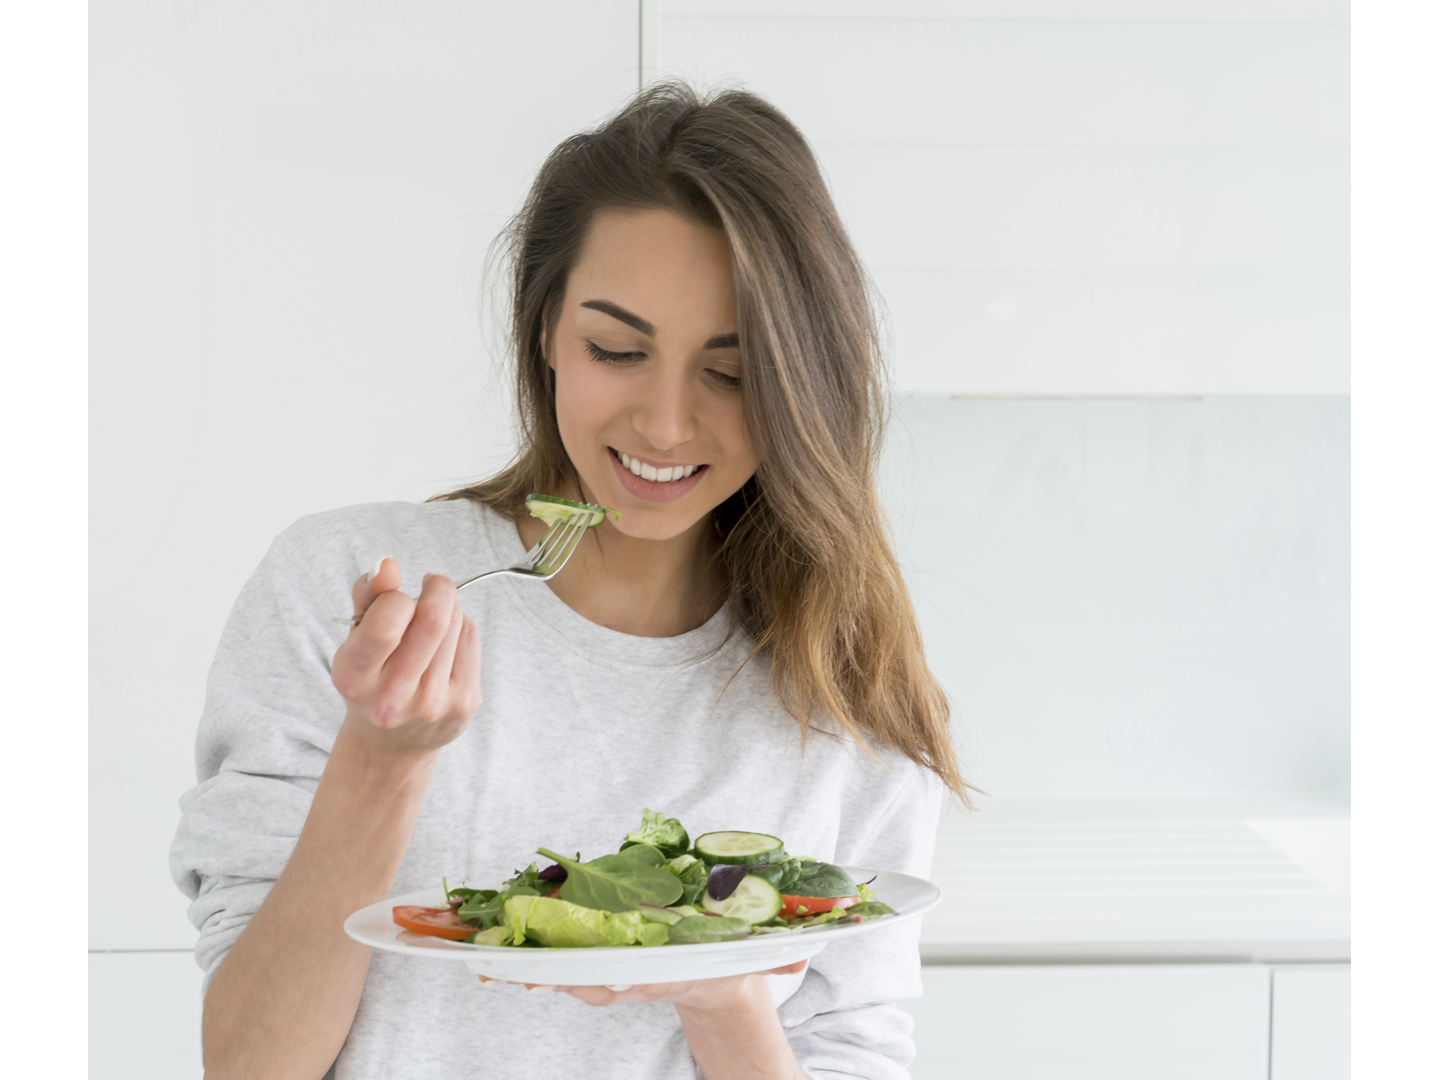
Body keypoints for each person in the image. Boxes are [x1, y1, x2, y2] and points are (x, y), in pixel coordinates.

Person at [170, 81, 971, 1080]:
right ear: (546, 329)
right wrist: (379, 763)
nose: (667, 424)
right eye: (617, 349)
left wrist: (723, 991)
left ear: (801, 381)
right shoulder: (341, 587)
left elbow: (852, 1054)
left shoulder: (841, 678)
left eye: (730, 371)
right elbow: (248, 1064)